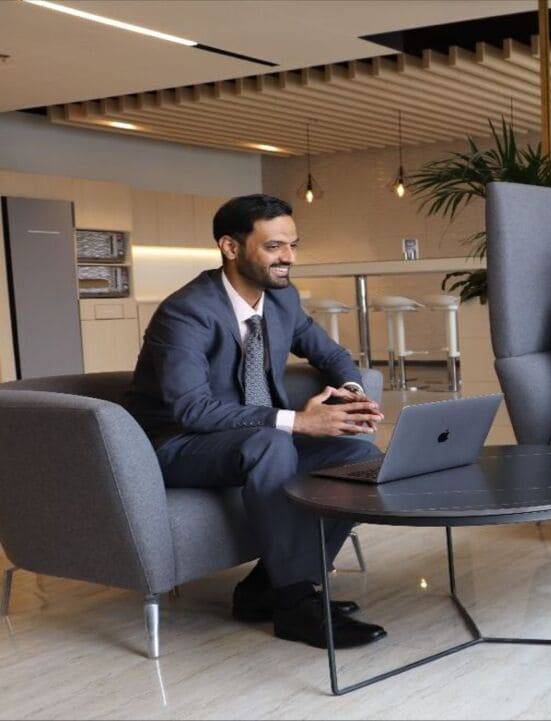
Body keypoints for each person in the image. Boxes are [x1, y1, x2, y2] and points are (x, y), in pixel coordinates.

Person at [125, 194, 389, 650]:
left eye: (292, 245)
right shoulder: (185, 312)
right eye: (273, 247)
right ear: (230, 247)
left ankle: (265, 588)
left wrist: (351, 392)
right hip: (178, 444)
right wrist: (298, 421)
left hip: (249, 439)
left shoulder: (282, 300)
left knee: (356, 453)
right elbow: (192, 409)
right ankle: (295, 604)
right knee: (272, 443)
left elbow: (331, 354)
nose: (289, 257)